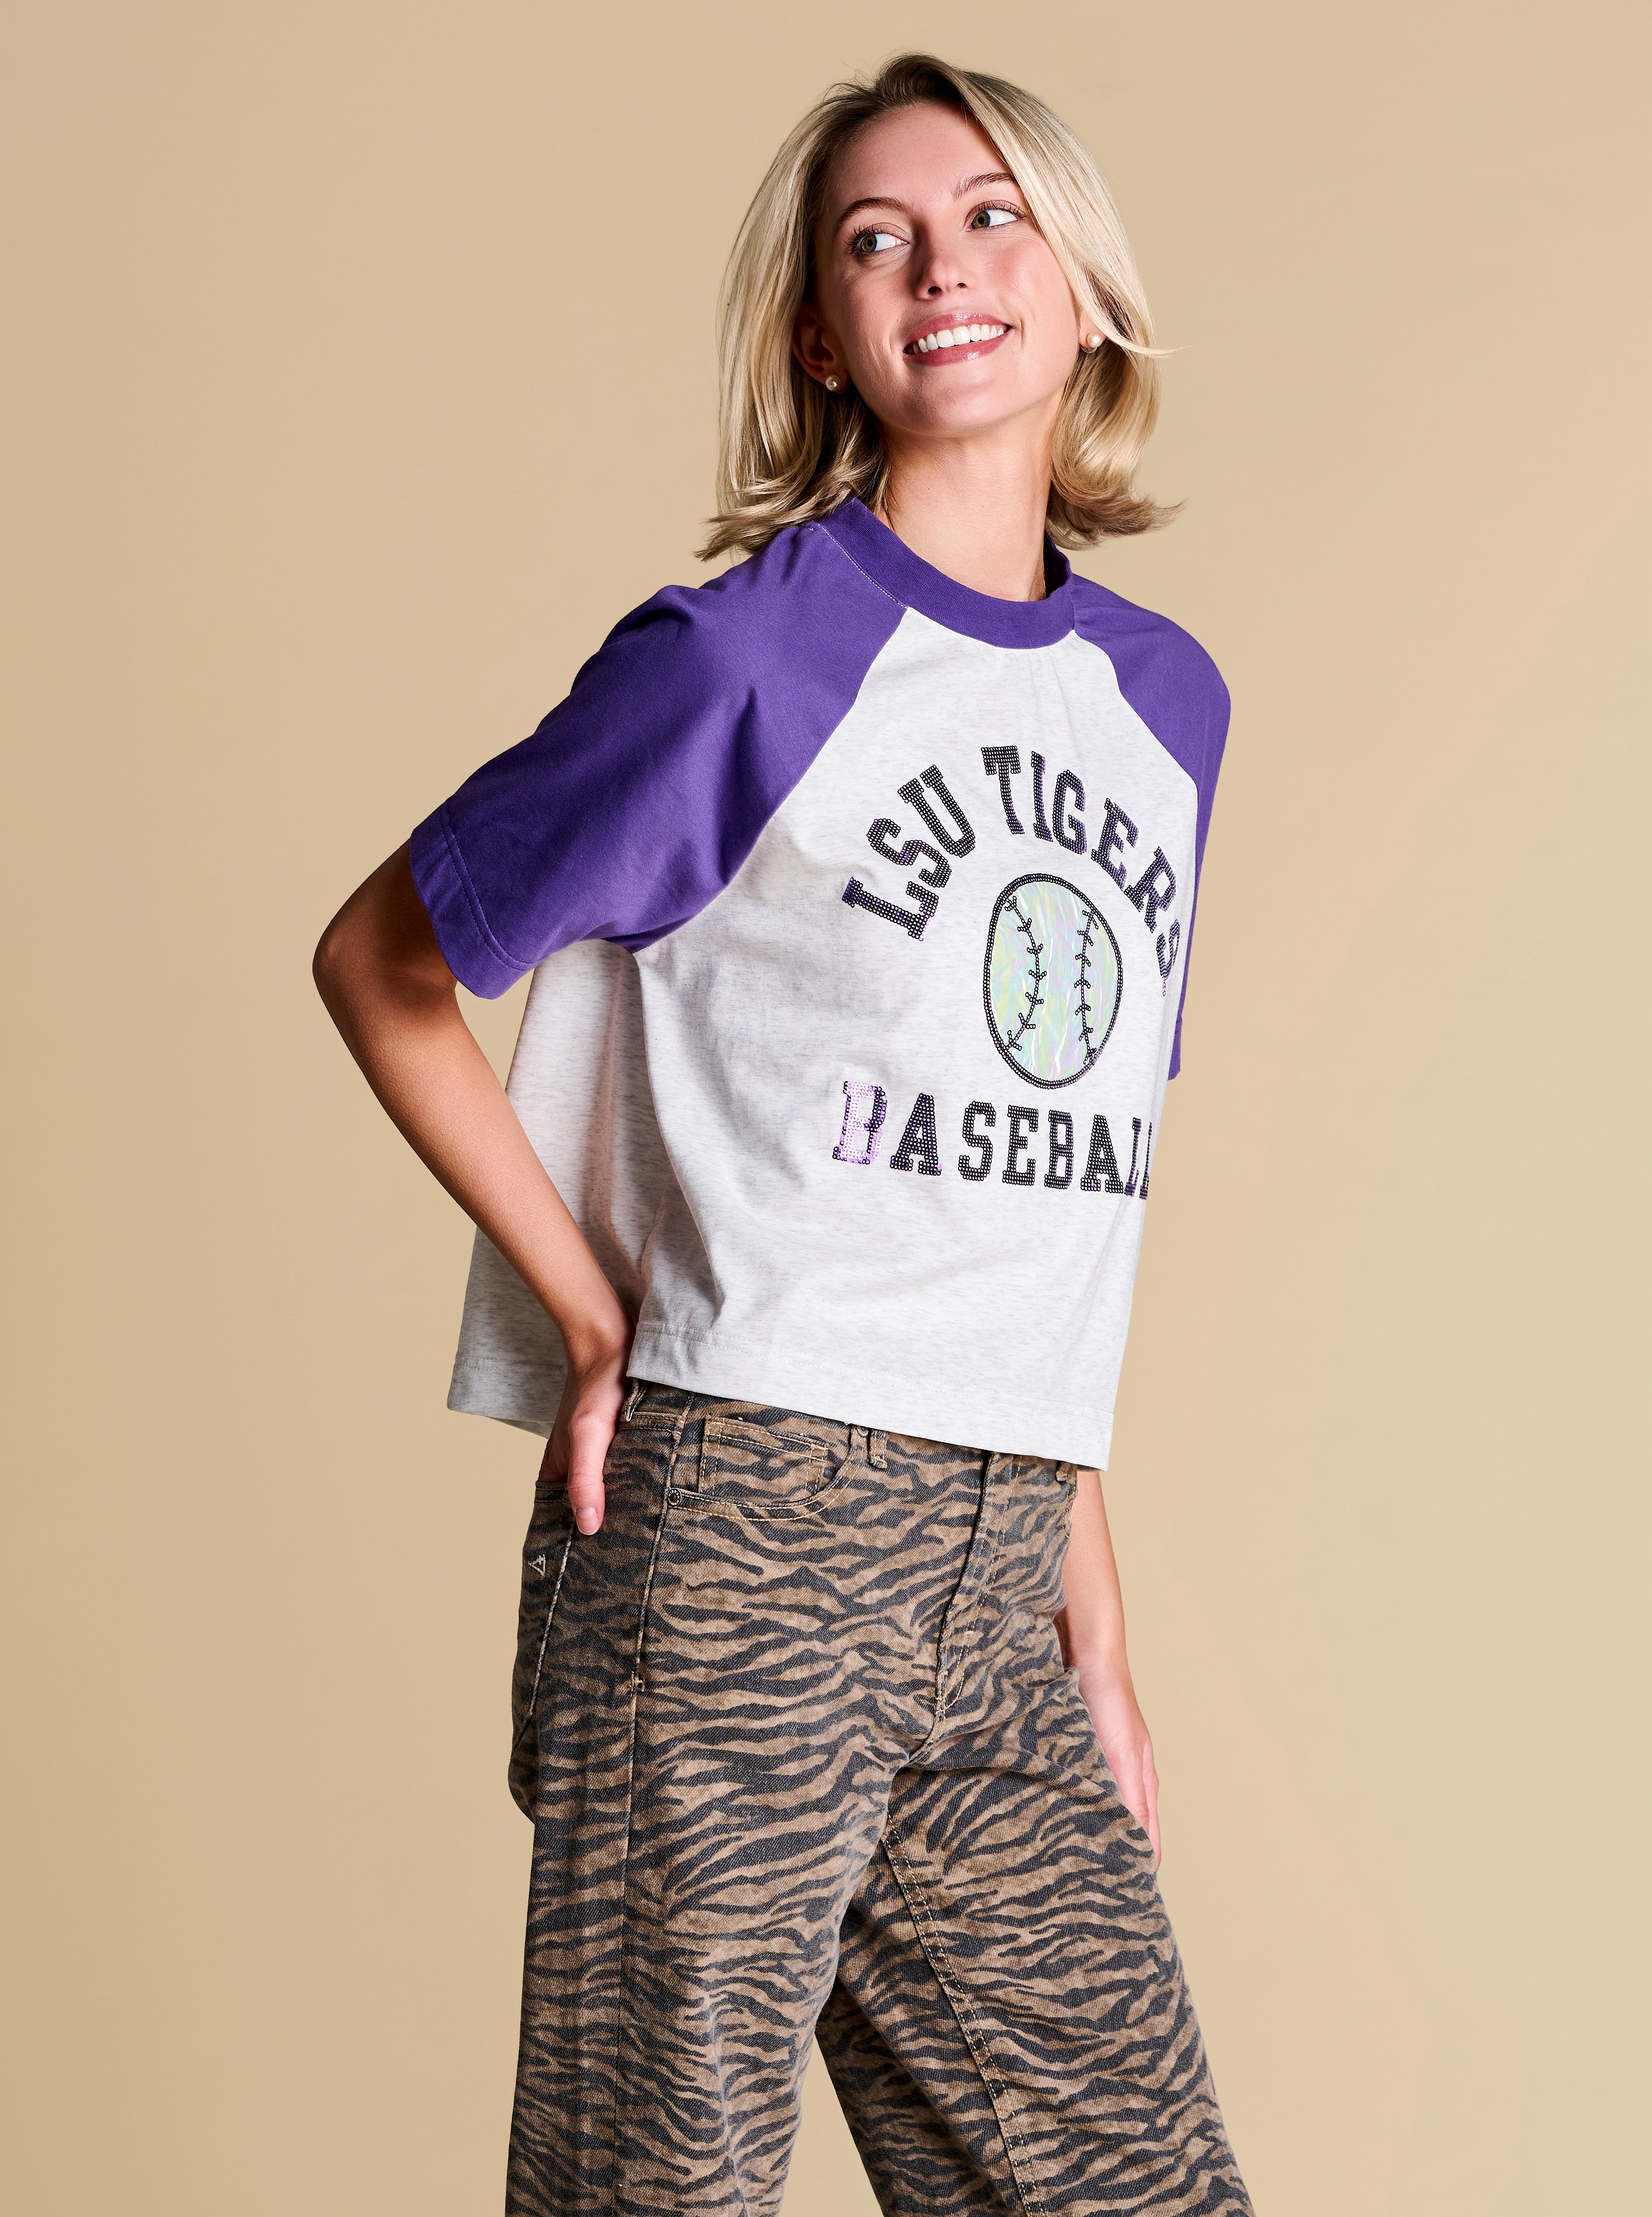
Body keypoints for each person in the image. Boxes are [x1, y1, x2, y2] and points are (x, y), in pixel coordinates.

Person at [314, 50, 1251, 2217]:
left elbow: (1030, 1195)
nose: (944, 269)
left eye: (993, 217)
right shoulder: (747, 655)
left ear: (1083, 285)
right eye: (875, 241)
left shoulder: (1165, 707)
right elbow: (383, 958)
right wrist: (589, 1315)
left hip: (998, 1558)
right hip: (742, 1518)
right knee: (656, 2188)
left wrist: (1088, 1618)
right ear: (823, 335)